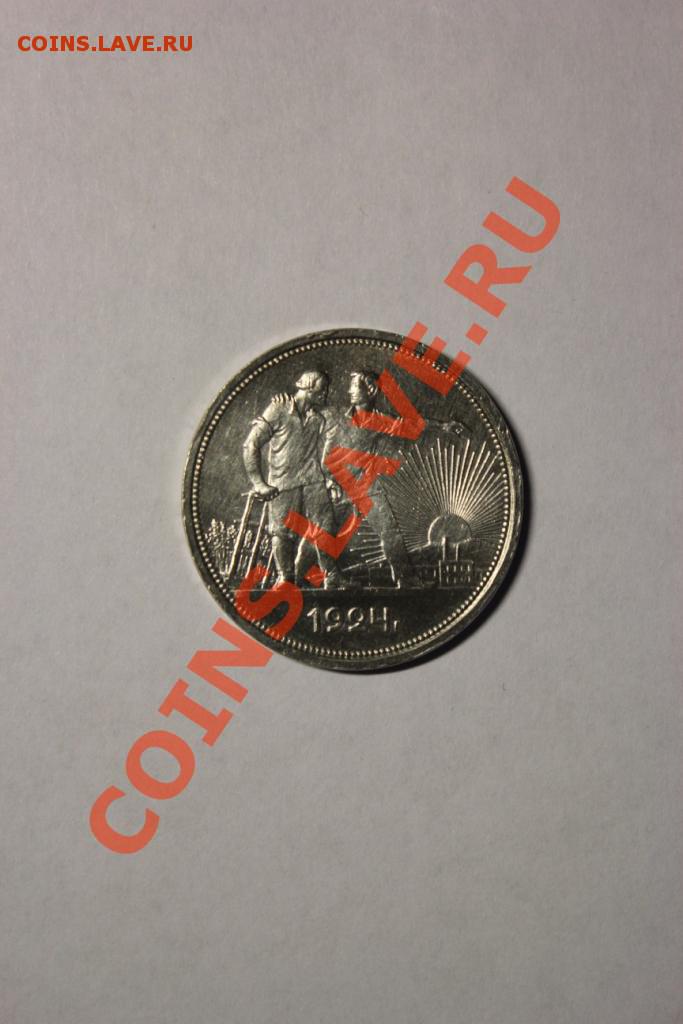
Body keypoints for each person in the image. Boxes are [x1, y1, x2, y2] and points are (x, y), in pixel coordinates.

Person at [322, 370, 468, 588]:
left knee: (389, 529)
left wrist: (442, 426)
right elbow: (325, 457)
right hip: (337, 484)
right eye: (351, 386)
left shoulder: (378, 421)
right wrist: (329, 481)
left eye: (354, 386)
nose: (349, 390)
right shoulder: (336, 418)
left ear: (370, 390)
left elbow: (408, 425)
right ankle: (315, 576)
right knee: (321, 533)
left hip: (364, 484)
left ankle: (405, 578)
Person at [242, 369, 345, 588]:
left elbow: (324, 452)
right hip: (283, 482)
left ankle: (332, 576)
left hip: (313, 480)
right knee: (282, 532)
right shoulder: (278, 409)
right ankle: (285, 580)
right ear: (307, 387)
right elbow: (251, 444)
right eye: (322, 389)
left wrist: (329, 479)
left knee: (326, 526)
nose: (326, 394)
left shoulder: (318, 417)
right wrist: (259, 483)